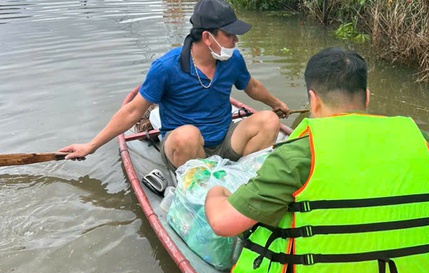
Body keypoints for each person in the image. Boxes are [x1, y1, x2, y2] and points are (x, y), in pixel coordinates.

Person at [204, 47, 429, 273]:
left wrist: (216, 192)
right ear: (367, 97)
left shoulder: (298, 155)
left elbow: (223, 223)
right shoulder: (415, 141)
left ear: (313, 99)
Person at [60, 0, 289, 170]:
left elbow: (252, 87)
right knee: (187, 136)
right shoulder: (166, 68)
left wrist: (277, 104)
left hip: (224, 139)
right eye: (230, 35)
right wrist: (91, 145)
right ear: (208, 37)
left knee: (269, 121)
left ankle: (239, 175)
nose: (236, 41)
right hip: (185, 147)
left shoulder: (232, 60)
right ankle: (196, 182)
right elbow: (132, 111)